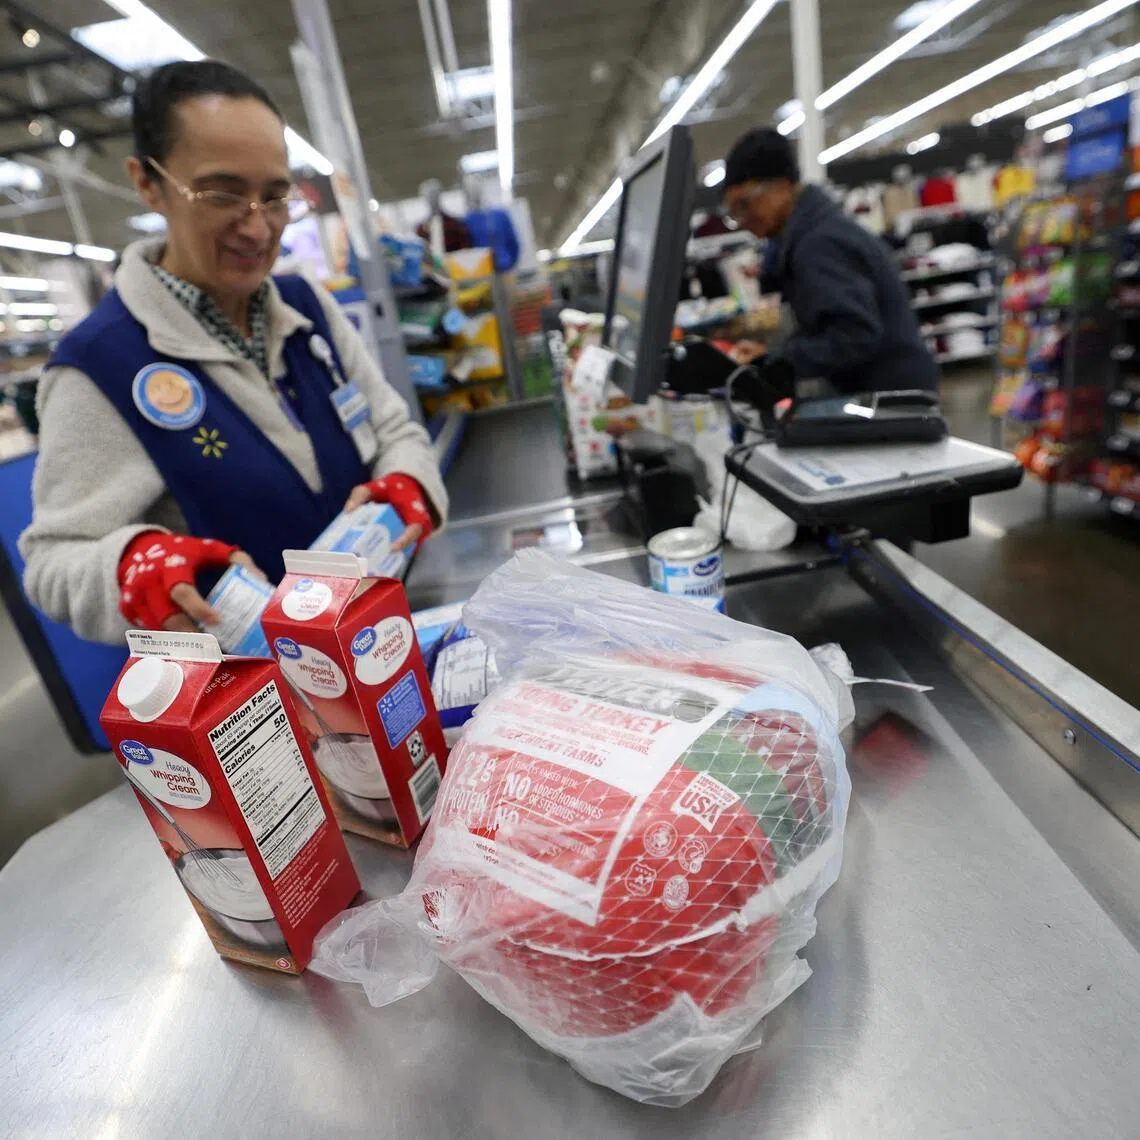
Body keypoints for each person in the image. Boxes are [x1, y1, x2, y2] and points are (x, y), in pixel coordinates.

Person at [20, 60, 446, 644]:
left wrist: (410, 483)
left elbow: (396, 430)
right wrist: (133, 567)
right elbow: (53, 561)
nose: (258, 228)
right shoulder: (101, 366)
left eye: (275, 198)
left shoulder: (307, 310)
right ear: (147, 183)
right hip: (249, 712)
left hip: (376, 647)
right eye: (223, 194)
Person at [720, 127, 939, 396]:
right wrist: (774, 354)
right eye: (734, 213)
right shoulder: (819, 230)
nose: (742, 220)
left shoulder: (818, 244)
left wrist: (777, 360)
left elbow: (854, 336)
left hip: (890, 404)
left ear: (781, 187)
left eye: (745, 205)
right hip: (891, 394)